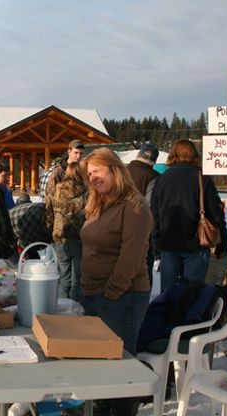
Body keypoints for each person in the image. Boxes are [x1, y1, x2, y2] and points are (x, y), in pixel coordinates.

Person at [80, 148, 152, 416]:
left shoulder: (134, 206)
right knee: (99, 364)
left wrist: (112, 292)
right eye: (89, 173)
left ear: (114, 169)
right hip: (94, 294)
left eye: (97, 171)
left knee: (121, 365)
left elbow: (131, 256)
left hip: (122, 298)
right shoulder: (100, 203)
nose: (93, 177)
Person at [151, 139, 227, 292]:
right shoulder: (203, 179)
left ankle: (167, 316)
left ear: (173, 155)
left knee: (168, 294)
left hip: (168, 243)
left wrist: (155, 242)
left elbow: (155, 214)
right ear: (194, 155)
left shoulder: (161, 179)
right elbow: (216, 214)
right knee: (192, 293)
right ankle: (188, 315)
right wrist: (222, 242)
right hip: (196, 244)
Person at [45, 161, 87, 301]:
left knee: (63, 277)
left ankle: (62, 307)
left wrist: (51, 228)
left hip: (60, 236)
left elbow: (49, 209)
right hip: (78, 237)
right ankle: (74, 310)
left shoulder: (57, 188)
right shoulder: (85, 191)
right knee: (77, 279)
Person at [127, 143, 160, 289]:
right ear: (153, 161)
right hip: (141, 228)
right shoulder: (153, 176)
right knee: (145, 265)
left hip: (117, 224)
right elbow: (149, 204)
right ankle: (143, 301)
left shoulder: (122, 171)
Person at [9, 193, 50, 258]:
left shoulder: (42, 214)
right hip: (13, 224)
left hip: (25, 224)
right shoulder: (31, 222)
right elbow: (26, 242)